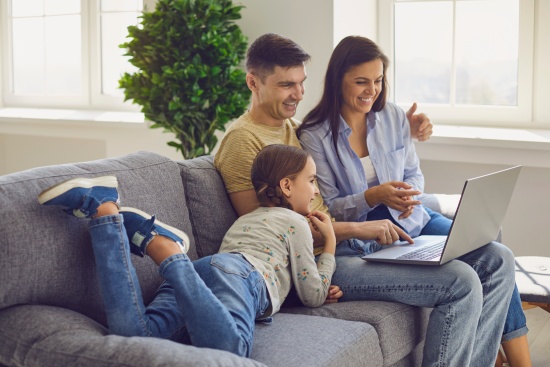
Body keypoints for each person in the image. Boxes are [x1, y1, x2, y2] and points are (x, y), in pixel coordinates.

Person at [214, 32, 519, 366]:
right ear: (253, 83)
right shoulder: (243, 142)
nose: (298, 94)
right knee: (461, 281)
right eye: (287, 85)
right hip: (320, 263)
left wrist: (406, 127)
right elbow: (271, 232)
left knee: (495, 257)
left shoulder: (290, 127)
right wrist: (358, 230)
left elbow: (351, 132)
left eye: (301, 83)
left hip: (343, 249)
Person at [296, 35, 531, 367]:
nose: (371, 90)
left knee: (497, 256)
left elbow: (414, 172)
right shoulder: (314, 135)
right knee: (465, 277)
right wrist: (371, 197)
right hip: (364, 238)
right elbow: (328, 206)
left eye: (378, 81)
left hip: (411, 219)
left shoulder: (392, 117)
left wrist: (408, 196)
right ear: (338, 81)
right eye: (361, 81)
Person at [37, 144, 338, 358]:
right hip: (239, 275)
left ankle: (105, 211)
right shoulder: (295, 222)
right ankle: (168, 251)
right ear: (286, 185)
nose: (315, 190)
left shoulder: (247, 220)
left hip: (205, 271)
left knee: (136, 338)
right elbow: (314, 295)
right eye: (311, 180)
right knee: (231, 352)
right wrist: (330, 244)